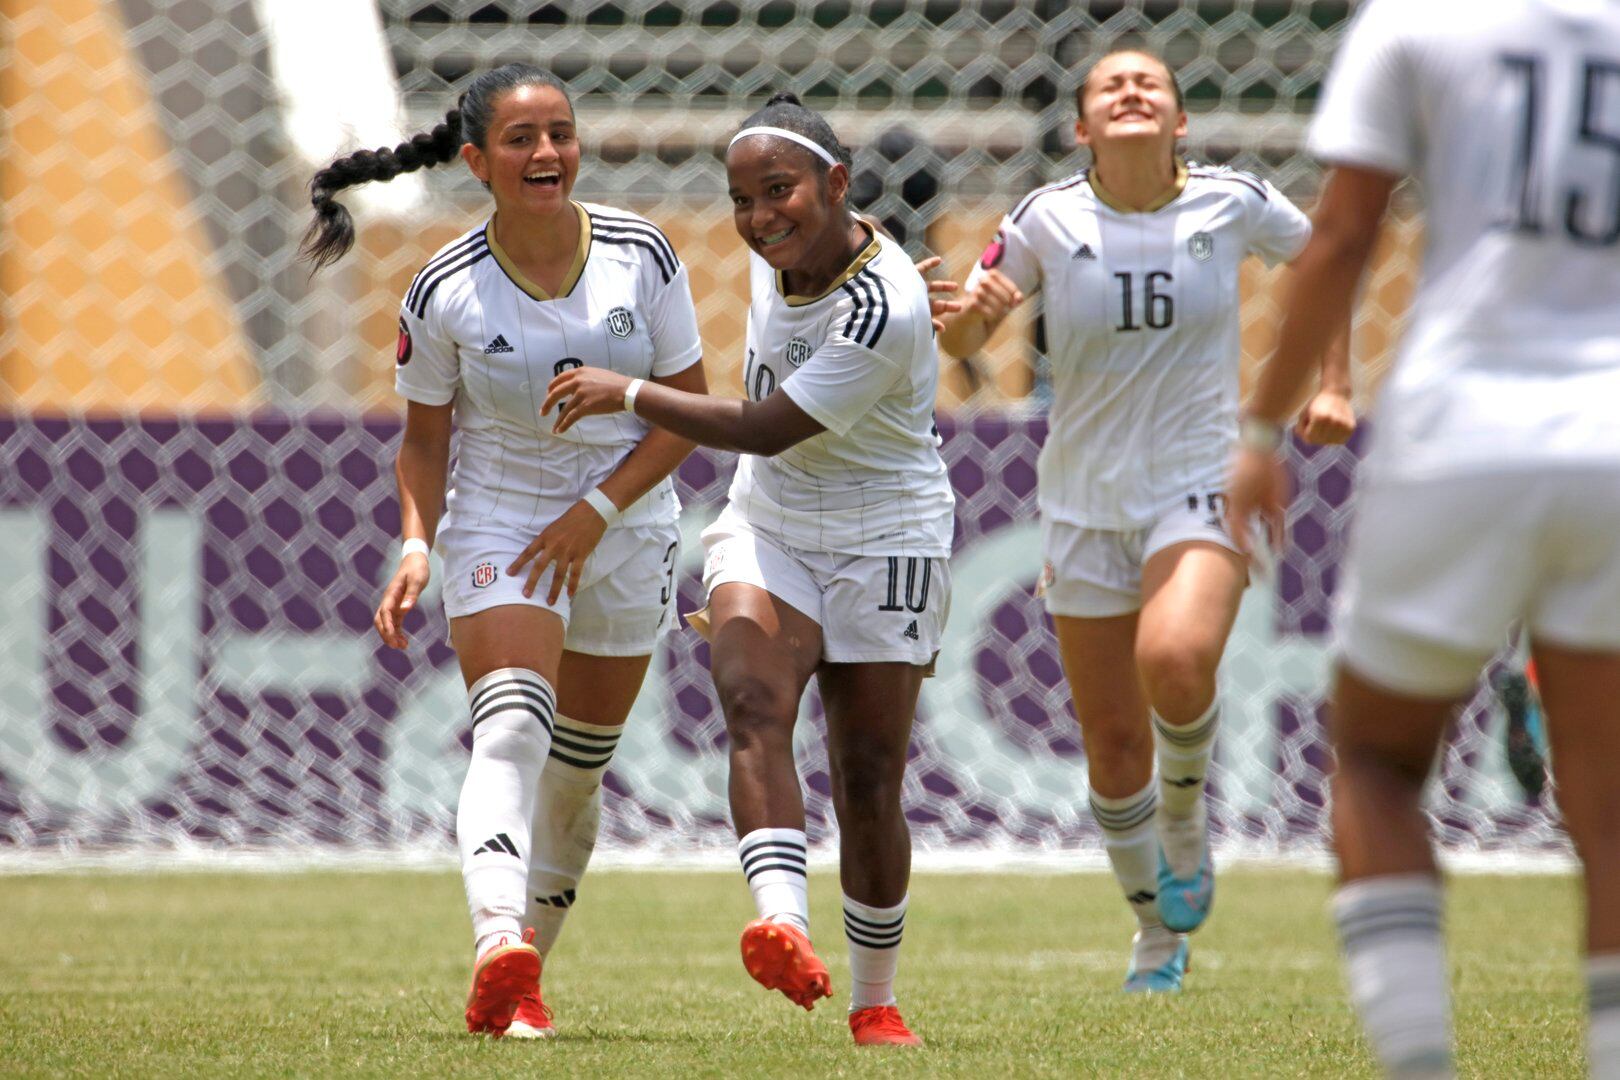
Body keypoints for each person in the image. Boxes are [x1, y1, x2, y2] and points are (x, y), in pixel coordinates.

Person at [1224, 0, 1620, 1073]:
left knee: (1377, 761)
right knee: (1612, 811)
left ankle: (1417, 1064)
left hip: (1467, 423)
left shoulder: (1415, 24)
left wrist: (1260, 431)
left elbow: (1345, 233)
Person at [300, 63, 708, 1038]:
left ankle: (521, 986)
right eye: (522, 139)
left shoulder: (642, 254)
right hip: (504, 520)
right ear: (477, 159)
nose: (547, 154)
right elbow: (425, 441)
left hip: (626, 517)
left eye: (560, 133)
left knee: (576, 775)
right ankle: (497, 946)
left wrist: (599, 512)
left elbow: (689, 412)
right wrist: (413, 543)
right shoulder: (443, 290)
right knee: (513, 727)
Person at [938, 46, 1356, 993]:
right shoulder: (1044, 218)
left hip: (1200, 479)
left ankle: (1185, 825)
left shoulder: (1232, 201)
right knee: (1113, 744)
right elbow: (959, 332)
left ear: (1179, 122)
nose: (1131, 91)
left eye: (1151, 83)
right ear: (1081, 127)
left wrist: (1334, 385)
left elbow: (1327, 263)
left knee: (1174, 659)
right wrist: (978, 316)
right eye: (1109, 87)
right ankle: (1155, 936)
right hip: (1084, 501)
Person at [544, 91, 954, 1047]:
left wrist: (629, 393)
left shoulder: (883, 305)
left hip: (888, 536)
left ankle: (875, 1000)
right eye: (742, 198)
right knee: (753, 702)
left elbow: (767, 427)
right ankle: (780, 923)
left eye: (781, 192)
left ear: (834, 184)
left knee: (868, 775)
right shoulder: (801, 252)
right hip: (768, 522)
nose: (762, 217)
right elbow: (766, 457)